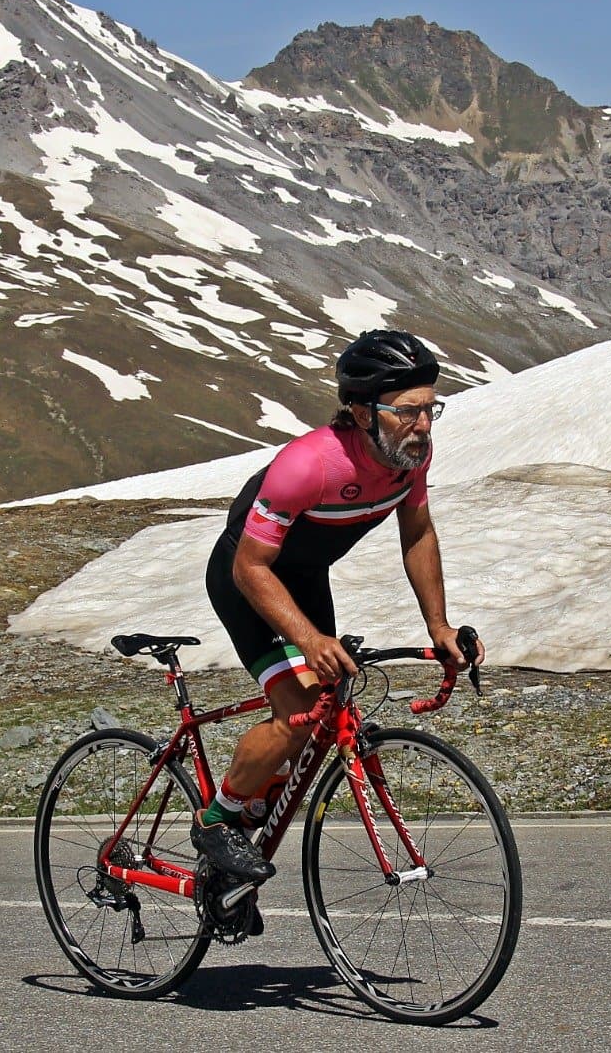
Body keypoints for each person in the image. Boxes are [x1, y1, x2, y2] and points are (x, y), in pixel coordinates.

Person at [195, 328, 485, 884]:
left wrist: (440, 625)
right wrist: (308, 641)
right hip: (246, 577)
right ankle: (217, 824)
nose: (422, 426)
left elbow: (417, 531)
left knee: (325, 713)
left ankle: (250, 826)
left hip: (303, 578)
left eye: (430, 408)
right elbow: (250, 568)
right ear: (359, 412)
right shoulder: (308, 465)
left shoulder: (408, 455)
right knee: (299, 711)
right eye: (407, 411)